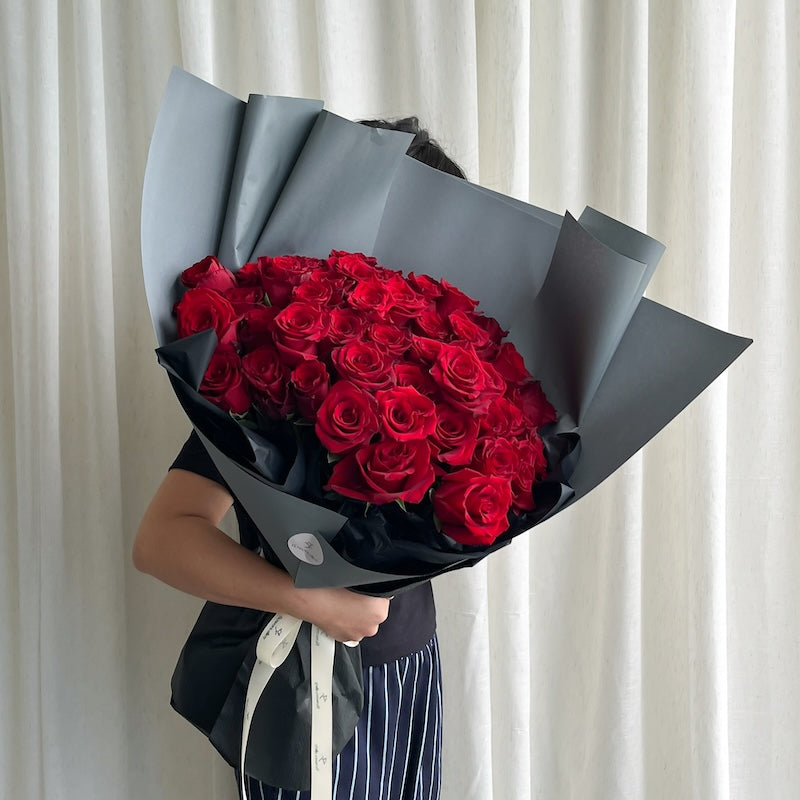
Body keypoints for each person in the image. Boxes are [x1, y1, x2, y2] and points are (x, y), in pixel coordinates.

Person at [133, 118, 466, 800]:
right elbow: (162, 538)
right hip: (302, 681)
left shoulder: (455, 386)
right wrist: (311, 599)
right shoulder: (279, 382)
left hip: (409, 666)